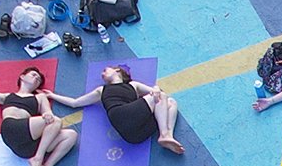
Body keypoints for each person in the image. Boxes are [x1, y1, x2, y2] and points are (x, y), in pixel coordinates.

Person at [48, 63, 184, 154]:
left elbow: (157, 91)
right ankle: (165, 134)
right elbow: (75, 102)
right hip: (121, 115)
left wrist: (155, 89)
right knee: (160, 97)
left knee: (170, 102)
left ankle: (167, 137)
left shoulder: (133, 85)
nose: (102, 74)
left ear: (117, 70)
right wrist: (52, 95)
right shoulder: (102, 90)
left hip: (135, 135)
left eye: (105, 70)